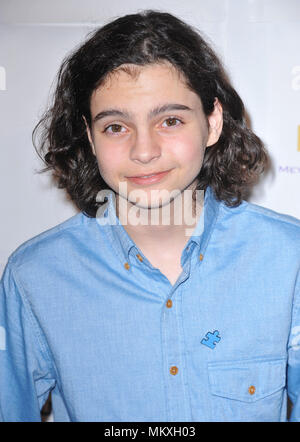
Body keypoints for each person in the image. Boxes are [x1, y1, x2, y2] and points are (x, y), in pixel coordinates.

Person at [0, 9, 299, 423]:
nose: (144, 151)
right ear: (89, 137)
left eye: (170, 120)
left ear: (212, 122)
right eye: (116, 127)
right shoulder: (34, 276)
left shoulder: (289, 259)